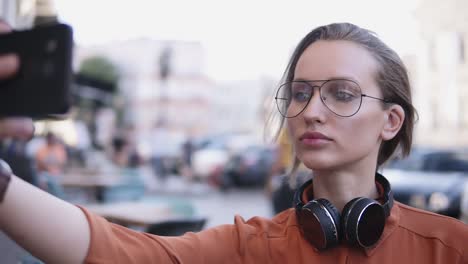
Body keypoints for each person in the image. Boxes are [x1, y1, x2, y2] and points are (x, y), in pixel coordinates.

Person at [0, 22, 467, 264]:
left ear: (390, 120)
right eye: (301, 92)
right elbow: (114, 253)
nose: (311, 110)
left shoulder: (451, 248)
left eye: (341, 93)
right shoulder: (251, 247)